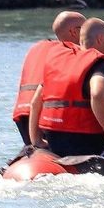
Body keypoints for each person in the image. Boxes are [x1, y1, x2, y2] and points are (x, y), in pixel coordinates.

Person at [28, 18, 104, 156]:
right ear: (100, 39)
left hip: (54, 138)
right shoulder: (99, 63)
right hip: (85, 139)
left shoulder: (59, 59)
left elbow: (35, 102)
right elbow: (97, 93)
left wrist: (36, 140)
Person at [11, 11, 86, 145]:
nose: (88, 33)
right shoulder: (70, 53)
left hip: (22, 115)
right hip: (48, 117)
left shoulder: (38, 49)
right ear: (74, 32)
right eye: (85, 28)